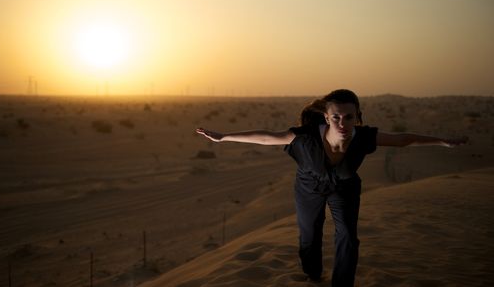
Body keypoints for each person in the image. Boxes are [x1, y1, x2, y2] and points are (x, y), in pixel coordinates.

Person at [196, 89, 467, 287]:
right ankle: (313, 275)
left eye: (349, 117)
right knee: (309, 234)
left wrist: (442, 141)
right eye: (336, 117)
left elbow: (403, 139)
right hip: (308, 187)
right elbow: (268, 136)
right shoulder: (306, 136)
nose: (342, 123)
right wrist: (224, 137)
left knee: (348, 235)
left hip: (345, 189)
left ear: (357, 117)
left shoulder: (364, 137)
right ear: (326, 116)